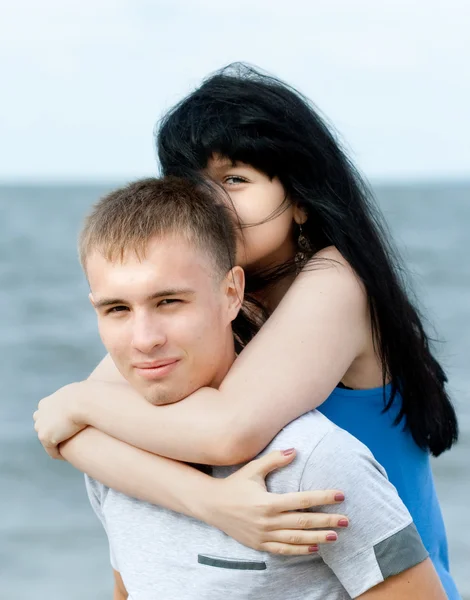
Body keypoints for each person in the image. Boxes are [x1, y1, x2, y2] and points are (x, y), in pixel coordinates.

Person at [33, 64, 460, 597]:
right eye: (194, 183)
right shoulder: (212, 297)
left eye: (235, 180)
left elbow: (226, 432)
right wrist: (210, 502)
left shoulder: (339, 279)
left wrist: (75, 402)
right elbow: (77, 436)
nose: (212, 202)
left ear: (301, 198)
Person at [79, 176, 443, 599]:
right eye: (118, 309)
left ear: (232, 293)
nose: (144, 339)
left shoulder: (315, 463)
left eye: (169, 302)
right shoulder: (113, 459)